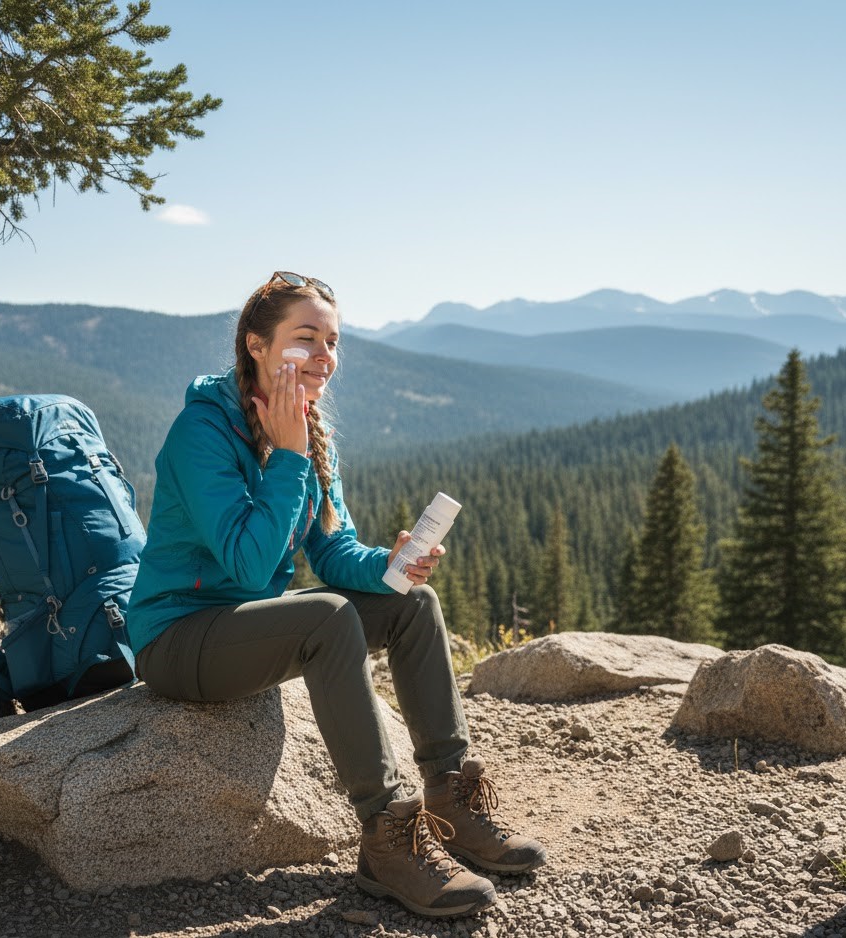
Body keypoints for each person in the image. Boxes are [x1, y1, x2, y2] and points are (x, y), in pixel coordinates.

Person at [126, 271, 546, 918]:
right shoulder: (203, 433)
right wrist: (290, 458)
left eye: (334, 340)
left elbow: (332, 550)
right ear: (257, 346)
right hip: (178, 639)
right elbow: (245, 565)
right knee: (324, 617)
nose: (325, 356)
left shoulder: (309, 430)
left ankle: (450, 798)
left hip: (245, 628)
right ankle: (385, 837)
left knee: (413, 606)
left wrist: (394, 565)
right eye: (307, 337)